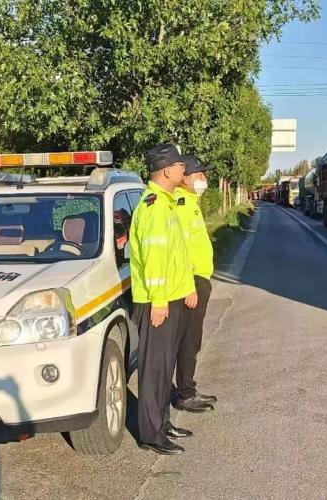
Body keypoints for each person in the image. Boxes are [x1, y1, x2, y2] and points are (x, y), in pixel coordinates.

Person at [129, 143, 199, 455]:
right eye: (181, 166)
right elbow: (155, 258)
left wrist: (187, 289)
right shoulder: (155, 206)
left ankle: (163, 423)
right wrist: (158, 299)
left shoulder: (168, 203)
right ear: (168, 170)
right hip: (158, 303)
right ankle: (150, 434)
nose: (185, 171)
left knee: (165, 365)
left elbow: (176, 257)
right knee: (154, 370)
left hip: (172, 299)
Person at [173, 155, 217, 413]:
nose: (204, 179)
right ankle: (185, 394)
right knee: (189, 339)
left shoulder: (191, 202)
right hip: (190, 282)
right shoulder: (180, 204)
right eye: (199, 174)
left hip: (198, 279)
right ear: (185, 178)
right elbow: (179, 250)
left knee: (193, 338)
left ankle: (187, 387)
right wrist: (189, 283)